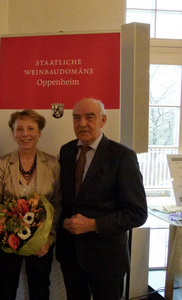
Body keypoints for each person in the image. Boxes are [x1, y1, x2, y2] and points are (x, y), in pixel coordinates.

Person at [56, 98, 148, 300]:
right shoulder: (67, 151)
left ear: (103, 120)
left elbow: (137, 213)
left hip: (107, 259)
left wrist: (93, 224)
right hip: (71, 255)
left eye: (90, 117)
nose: (82, 123)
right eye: (77, 118)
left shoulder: (122, 156)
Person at [0, 109, 61, 300]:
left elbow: (58, 203)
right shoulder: (2, 164)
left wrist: (49, 237)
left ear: (39, 133)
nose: (25, 134)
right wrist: (0, 233)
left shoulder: (52, 164)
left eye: (30, 129)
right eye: (19, 129)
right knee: (5, 287)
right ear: (13, 134)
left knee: (40, 287)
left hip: (41, 239)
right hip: (8, 238)